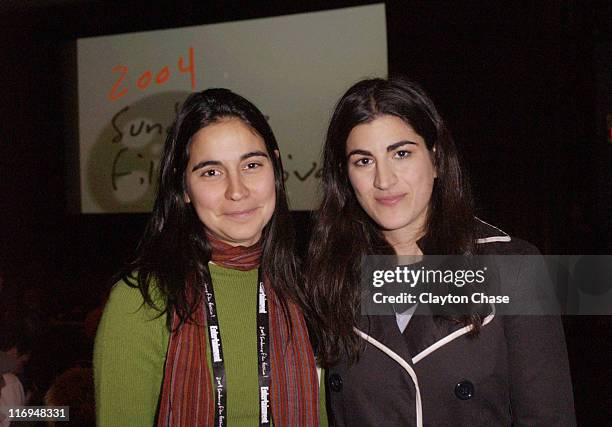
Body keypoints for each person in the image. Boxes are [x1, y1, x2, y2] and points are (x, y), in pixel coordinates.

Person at [305, 77, 576, 426]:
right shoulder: (328, 271)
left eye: (401, 153)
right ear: (345, 176)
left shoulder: (512, 267)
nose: (383, 180)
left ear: (435, 159)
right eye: (363, 161)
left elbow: (548, 417)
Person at [94, 88, 322, 426]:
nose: (237, 190)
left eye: (252, 164)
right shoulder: (143, 300)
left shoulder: (309, 288)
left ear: (276, 168)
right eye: (211, 172)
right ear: (183, 188)